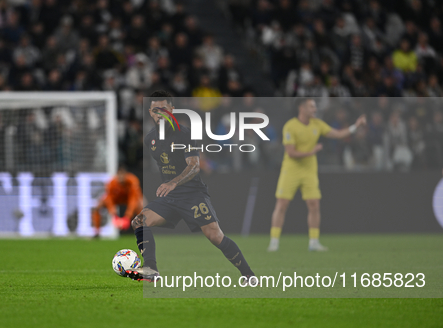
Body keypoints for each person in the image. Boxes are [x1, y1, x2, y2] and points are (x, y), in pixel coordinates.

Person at [126, 90, 257, 284]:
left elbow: (194, 166)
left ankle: (249, 276)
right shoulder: (150, 139)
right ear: (150, 113)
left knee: (215, 236)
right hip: (169, 198)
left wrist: (173, 182)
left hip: (192, 194)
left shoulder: (184, 133)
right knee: (139, 222)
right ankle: (151, 269)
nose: (159, 113)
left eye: (163, 109)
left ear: (172, 110)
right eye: (155, 110)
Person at [268, 98, 366, 252]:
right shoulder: (290, 126)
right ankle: (274, 242)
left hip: (309, 170)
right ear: (302, 108)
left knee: (314, 205)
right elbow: (290, 152)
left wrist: (356, 126)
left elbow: (338, 134)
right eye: (311, 106)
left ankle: (313, 242)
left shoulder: (317, 124)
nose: (315, 109)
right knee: (282, 204)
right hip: (291, 169)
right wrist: (311, 152)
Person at [92, 164, 143, 237]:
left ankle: (142, 231)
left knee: (141, 206)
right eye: (119, 175)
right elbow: (109, 199)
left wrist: (127, 216)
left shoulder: (133, 181)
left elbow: (133, 199)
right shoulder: (111, 183)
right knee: (97, 207)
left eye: (123, 175)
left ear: (126, 174)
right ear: (117, 175)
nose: (121, 177)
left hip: (129, 199)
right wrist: (114, 214)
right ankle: (96, 232)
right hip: (117, 200)